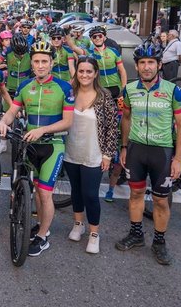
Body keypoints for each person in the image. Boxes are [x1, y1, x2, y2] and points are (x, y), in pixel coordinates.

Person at [0, 40, 74, 257]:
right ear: (32, 63)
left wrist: (43, 130)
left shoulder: (63, 87)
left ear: (51, 63)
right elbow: (13, 111)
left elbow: (68, 121)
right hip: (29, 146)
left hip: (52, 145)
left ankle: (42, 236)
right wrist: (4, 121)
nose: (40, 65)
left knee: (45, 193)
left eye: (44, 61)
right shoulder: (24, 87)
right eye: (37, 61)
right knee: (36, 191)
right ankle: (40, 226)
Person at [115, 40, 181, 265]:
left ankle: (159, 241)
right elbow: (126, 119)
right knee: (135, 195)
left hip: (162, 153)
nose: (147, 67)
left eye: (151, 62)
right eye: (142, 62)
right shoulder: (129, 90)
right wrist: (124, 147)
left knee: (160, 201)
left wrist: (178, 159)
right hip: (136, 150)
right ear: (136, 66)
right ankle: (136, 234)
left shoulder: (172, 91)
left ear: (159, 65)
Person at [63, 56, 118, 254]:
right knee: (76, 191)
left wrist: (108, 155)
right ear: (76, 73)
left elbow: (113, 128)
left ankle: (94, 233)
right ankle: (78, 224)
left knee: (90, 195)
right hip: (71, 151)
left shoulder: (104, 97)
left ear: (95, 73)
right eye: (81, 71)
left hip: (94, 154)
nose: (84, 75)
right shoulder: (69, 93)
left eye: (89, 71)